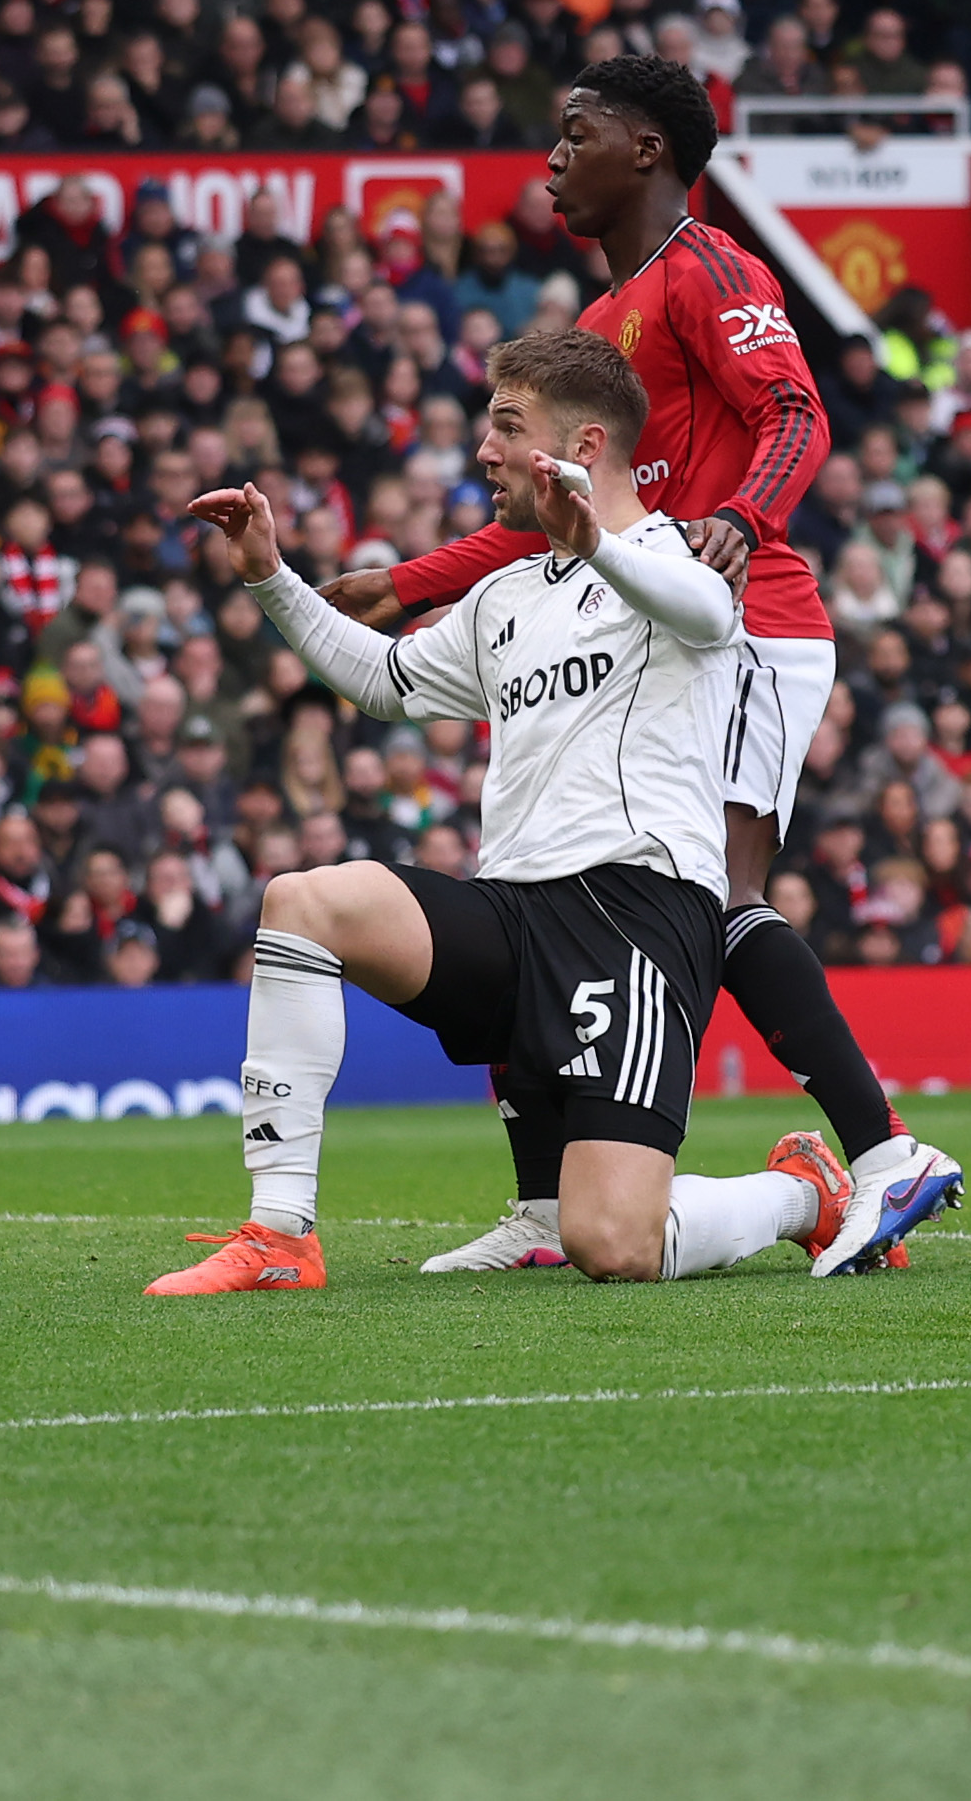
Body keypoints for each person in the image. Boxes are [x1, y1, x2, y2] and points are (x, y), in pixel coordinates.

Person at [322, 53, 964, 1275]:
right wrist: (406, 583)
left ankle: (879, 1156)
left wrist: (747, 521)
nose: (553, 159)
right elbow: (553, 514)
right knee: (538, 876)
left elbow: (795, 412)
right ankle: (539, 1211)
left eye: (577, 134)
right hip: (649, 628)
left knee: (709, 897)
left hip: (739, 621)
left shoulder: (707, 268)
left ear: (648, 151)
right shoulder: (600, 323)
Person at [161, 331, 847, 1294]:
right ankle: (280, 1235)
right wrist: (273, 578)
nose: (484, 450)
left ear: (586, 446)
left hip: (635, 919)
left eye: (508, 427)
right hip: (512, 914)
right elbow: (385, 681)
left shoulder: (673, 556)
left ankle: (799, 1193)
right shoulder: (506, 595)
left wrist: (595, 542)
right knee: (304, 901)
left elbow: (709, 614)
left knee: (611, 1244)